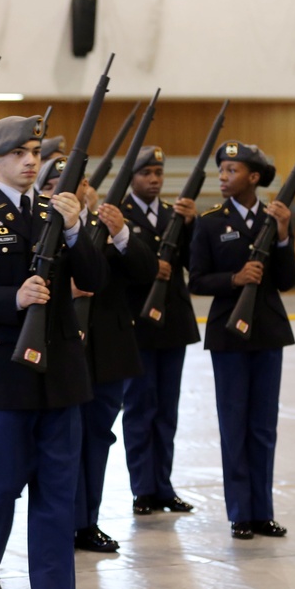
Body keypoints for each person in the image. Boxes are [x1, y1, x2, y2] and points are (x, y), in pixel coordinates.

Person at [0, 115, 106, 589]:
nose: (30, 160)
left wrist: (79, 225)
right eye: (17, 153)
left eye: (34, 151)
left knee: (59, 488)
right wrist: (11, 299)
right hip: (4, 370)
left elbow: (94, 278)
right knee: (4, 480)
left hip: (60, 370)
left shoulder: (56, 212)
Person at [44, 158, 158, 553]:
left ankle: (87, 522)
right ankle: (63, 520)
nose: (65, 189)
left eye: (72, 181)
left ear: (86, 185)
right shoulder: (42, 223)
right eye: (55, 182)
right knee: (65, 441)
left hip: (109, 349)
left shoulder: (104, 224)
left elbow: (145, 271)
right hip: (64, 346)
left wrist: (122, 232)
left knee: (98, 438)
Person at [188, 141, 295, 540]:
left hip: (268, 331)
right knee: (234, 424)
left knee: (263, 427)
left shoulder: (276, 218)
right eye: (221, 170)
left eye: (232, 170)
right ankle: (240, 513)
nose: (223, 177)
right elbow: (197, 279)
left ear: (254, 177)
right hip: (229, 334)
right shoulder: (210, 221)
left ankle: (262, 510)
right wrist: (234, 279)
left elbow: (287, 280)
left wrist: (283, 237)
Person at [121, 146, 200, 516]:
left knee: (167, 410)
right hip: (137, 325)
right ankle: (143, 489)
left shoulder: (173, 216)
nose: (153, 179)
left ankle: (164, 486)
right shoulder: (119, 215)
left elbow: (195, 263)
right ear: (131, 177)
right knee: (140, 408)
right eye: (145, 173)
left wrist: (191, 226)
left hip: (172, 325)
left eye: (158, 173)